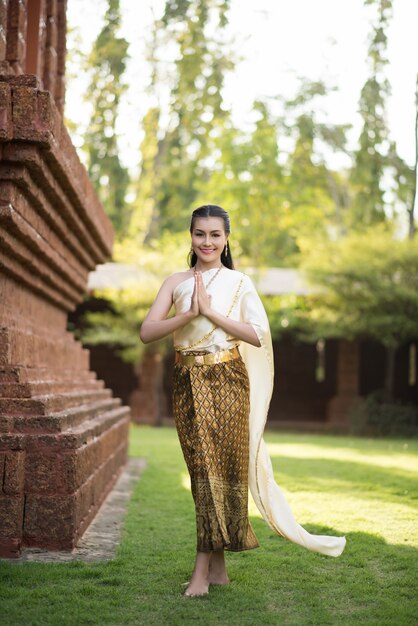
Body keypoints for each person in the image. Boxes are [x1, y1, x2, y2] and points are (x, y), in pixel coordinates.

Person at [140, 204, 346, 598]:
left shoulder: (240, 283)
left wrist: (212, 313)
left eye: (215, 235)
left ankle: (202, 574)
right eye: (200, 234)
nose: (207, 242)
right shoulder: (176, 281)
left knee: (220, 474)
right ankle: (217, 570)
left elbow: (256, 335)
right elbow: (148, 331)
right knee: (204, 473)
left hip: (228, 379)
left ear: (226, 238)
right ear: (191, 236)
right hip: (186, 379)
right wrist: (186, 316)